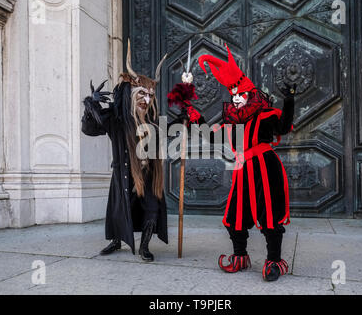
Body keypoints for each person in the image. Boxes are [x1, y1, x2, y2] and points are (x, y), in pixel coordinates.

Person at [173, 43, 296, 282]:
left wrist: (289, 100)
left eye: (240, 94)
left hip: (265, 167)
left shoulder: (266, 114)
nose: (236, 98)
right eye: (234, 95)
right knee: (235, 215)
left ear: (250, 94)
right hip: (243, 170)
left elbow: (283, 127)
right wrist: (190, 111)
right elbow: (209, 135)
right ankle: (240, 256)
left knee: (269, 216)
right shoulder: (231, 124)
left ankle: (274, 261)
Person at [81, 40, 168, 262]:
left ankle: (145, 246)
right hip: (123, 173)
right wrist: (91, 107)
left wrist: (186, 119)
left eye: (150, 96)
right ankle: (116, 240)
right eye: (142, 94)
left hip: (149, 175)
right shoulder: (117, 120)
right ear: (132, 94)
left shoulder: (154, 121)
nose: (146, 100)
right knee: (120, 209)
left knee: (151, 207)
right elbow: (90, 130)